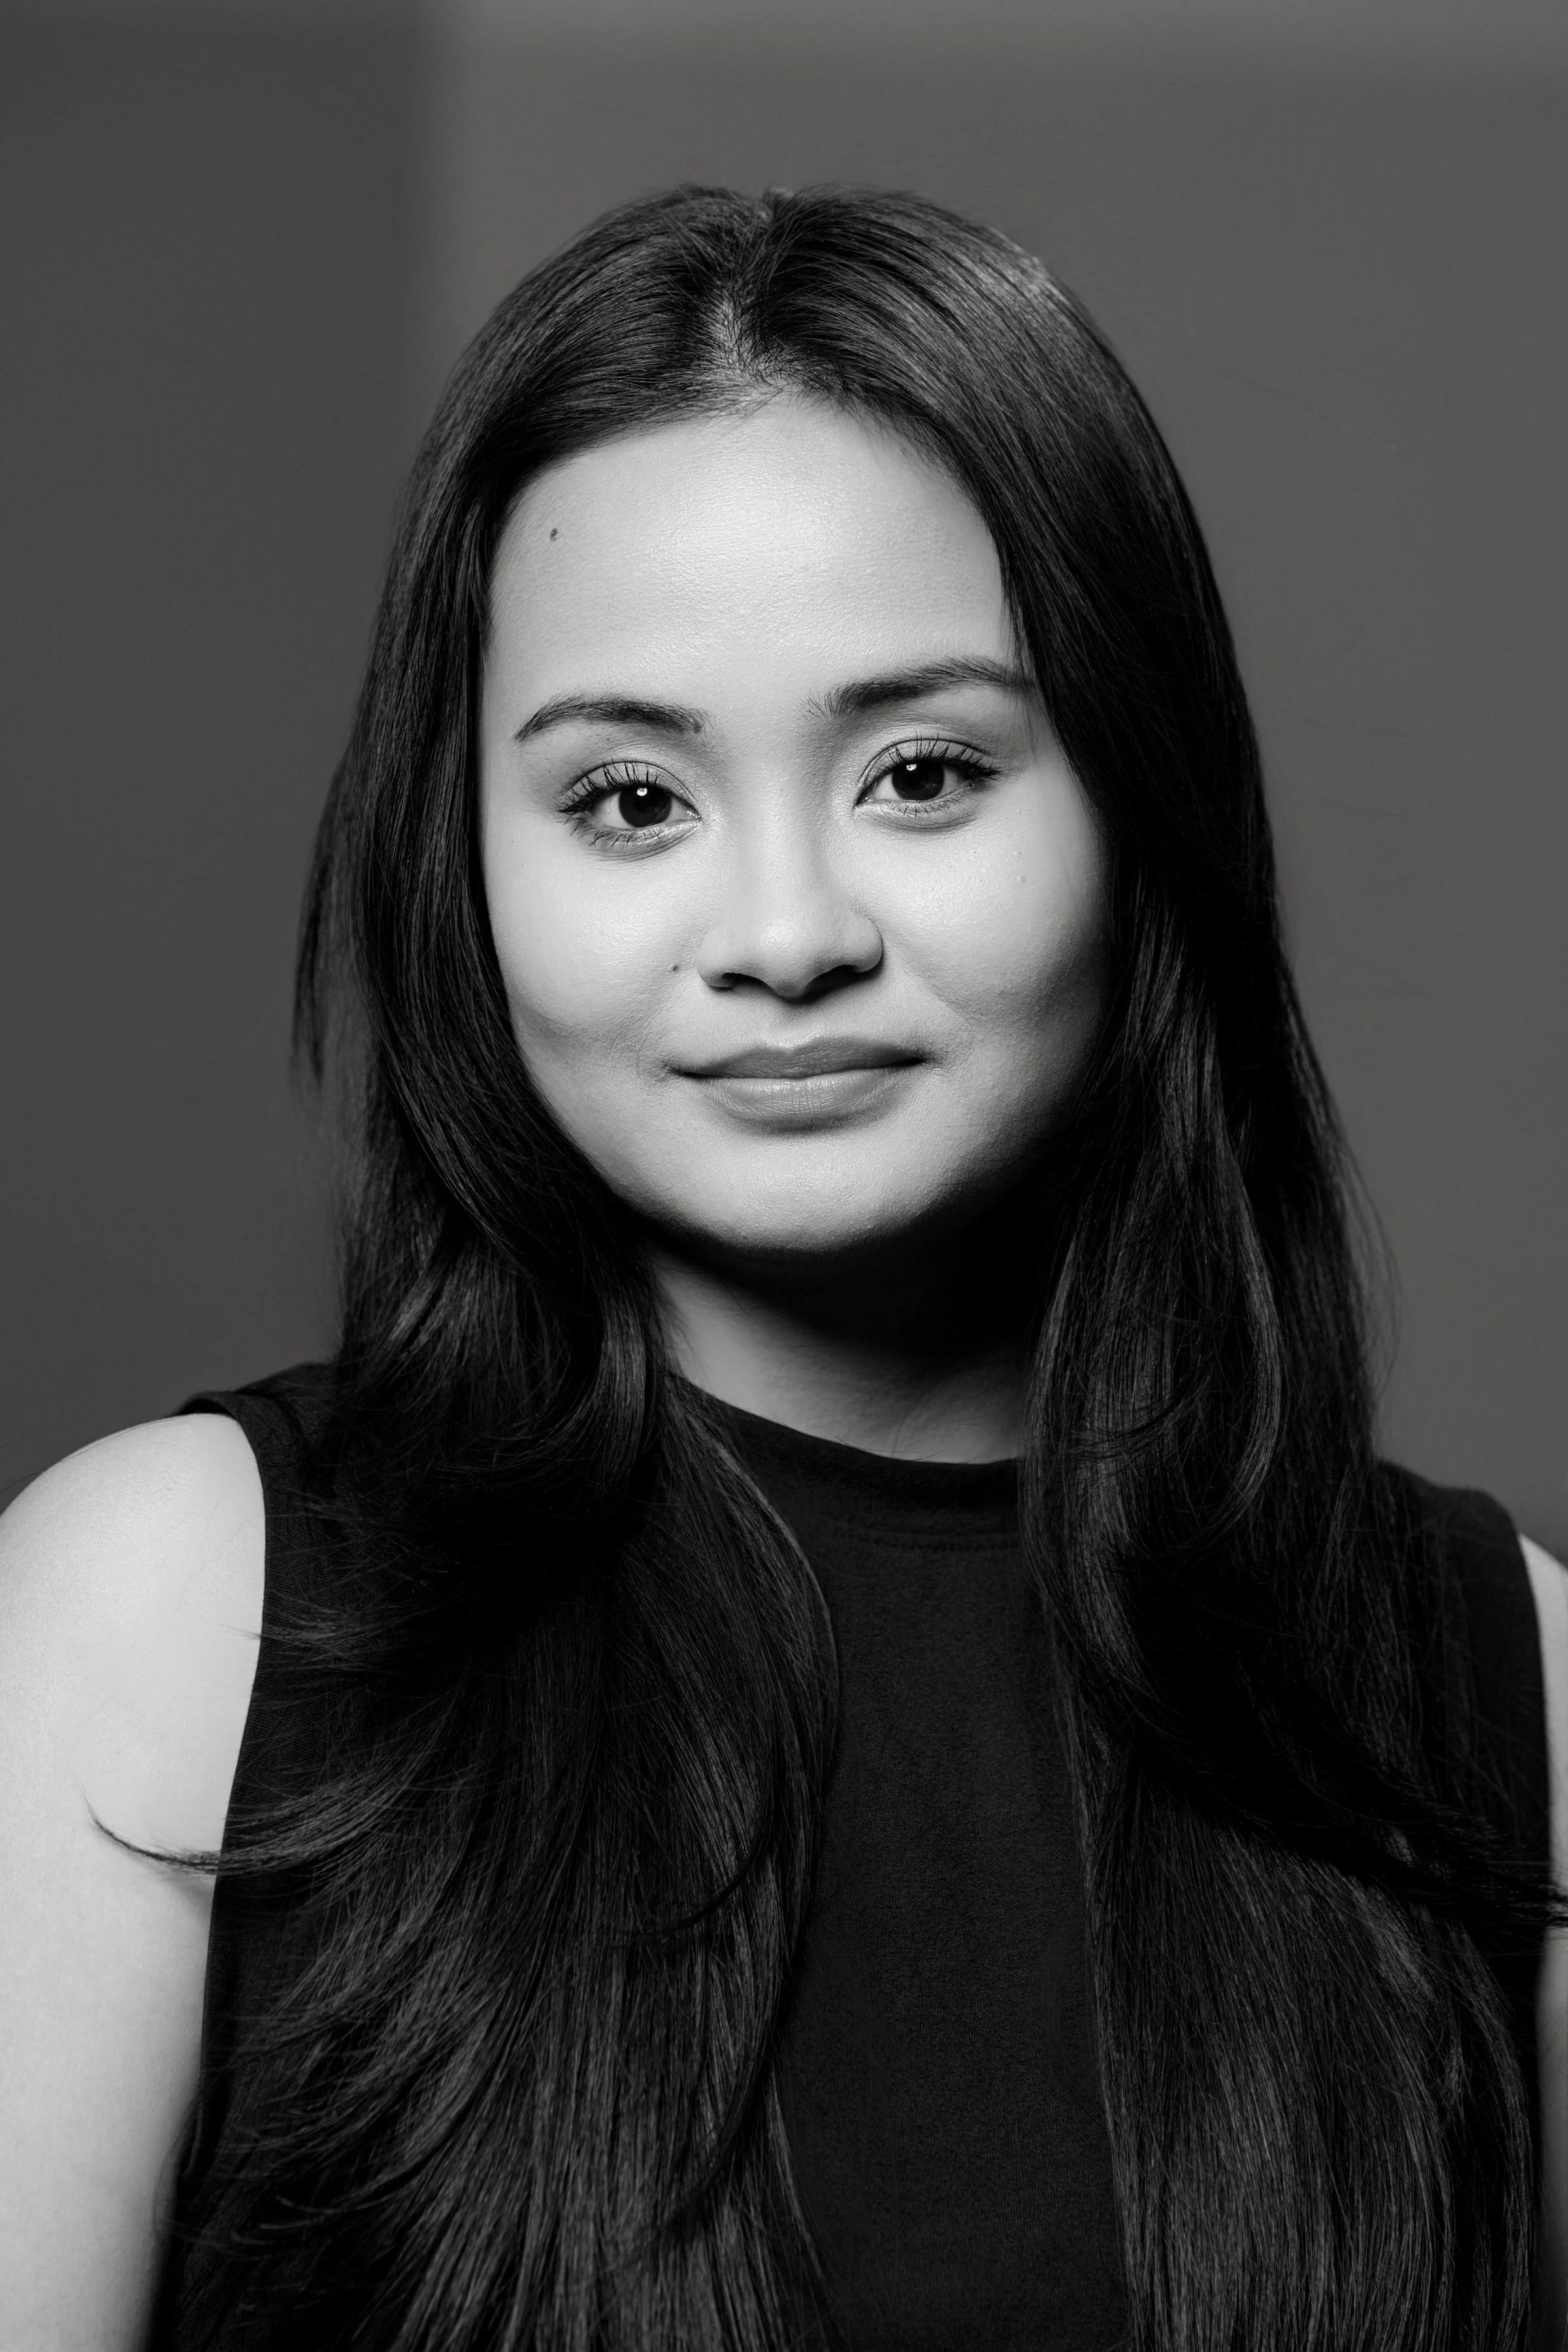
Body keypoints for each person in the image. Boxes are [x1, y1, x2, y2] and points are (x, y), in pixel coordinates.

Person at [0, 182, 1562, 2352]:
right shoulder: (163, 1625)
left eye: (924, 772)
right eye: (630, 800)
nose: (783, 931)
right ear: (464, 870)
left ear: (1140, 804)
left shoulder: (1511, 1694)